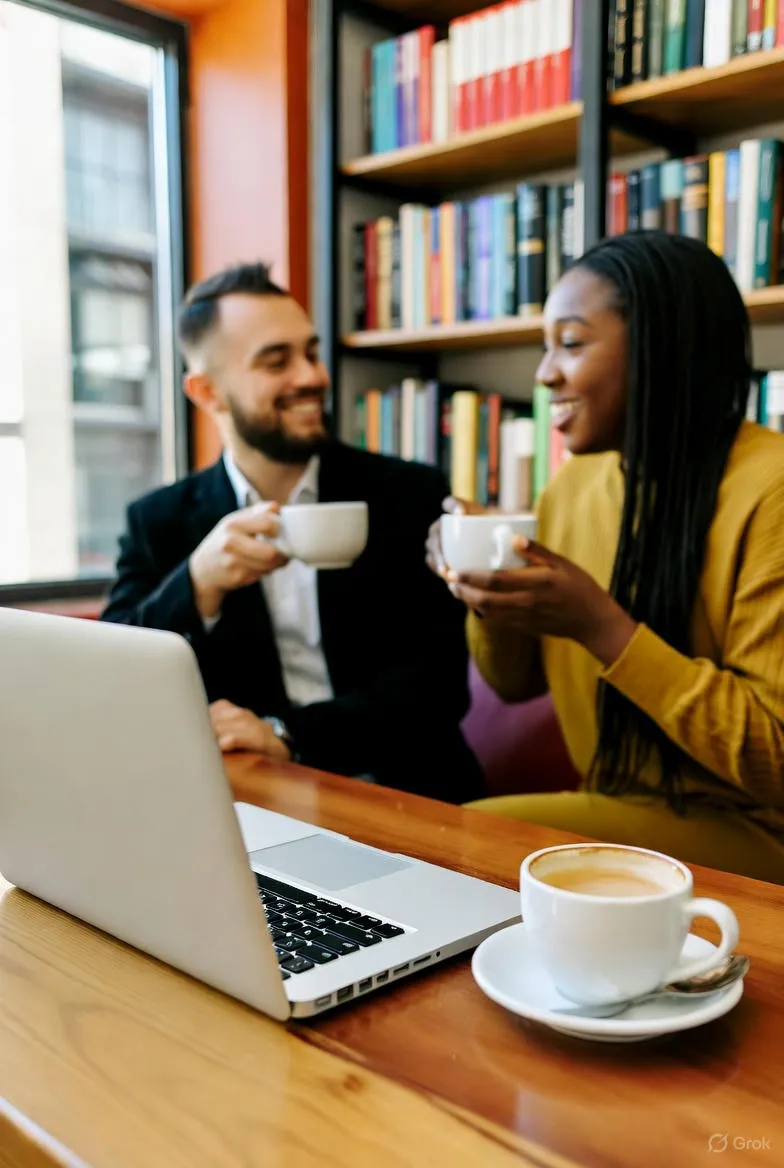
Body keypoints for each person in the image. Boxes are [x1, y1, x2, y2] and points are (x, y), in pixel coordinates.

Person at [430, 230, 784, 882]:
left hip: (756, 833)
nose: (543, 374)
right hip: (616, 809)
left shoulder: (771, 488)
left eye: (569, 343)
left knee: (461, 847)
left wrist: (603, 626)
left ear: (660, 349)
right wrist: (490, 594)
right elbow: (515, 684)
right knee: (442, 846)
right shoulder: (572, 488)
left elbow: (774, 757)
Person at [102, 262, 483, 803]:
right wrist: (197, 584)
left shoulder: (408, 492)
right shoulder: (158, 521)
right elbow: (116, 684)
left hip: (409, 790)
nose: (311, 377)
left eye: (310, 352)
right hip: (245, 804)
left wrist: (287, 735)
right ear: (207, 391)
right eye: (276, 361)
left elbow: (439, 687)